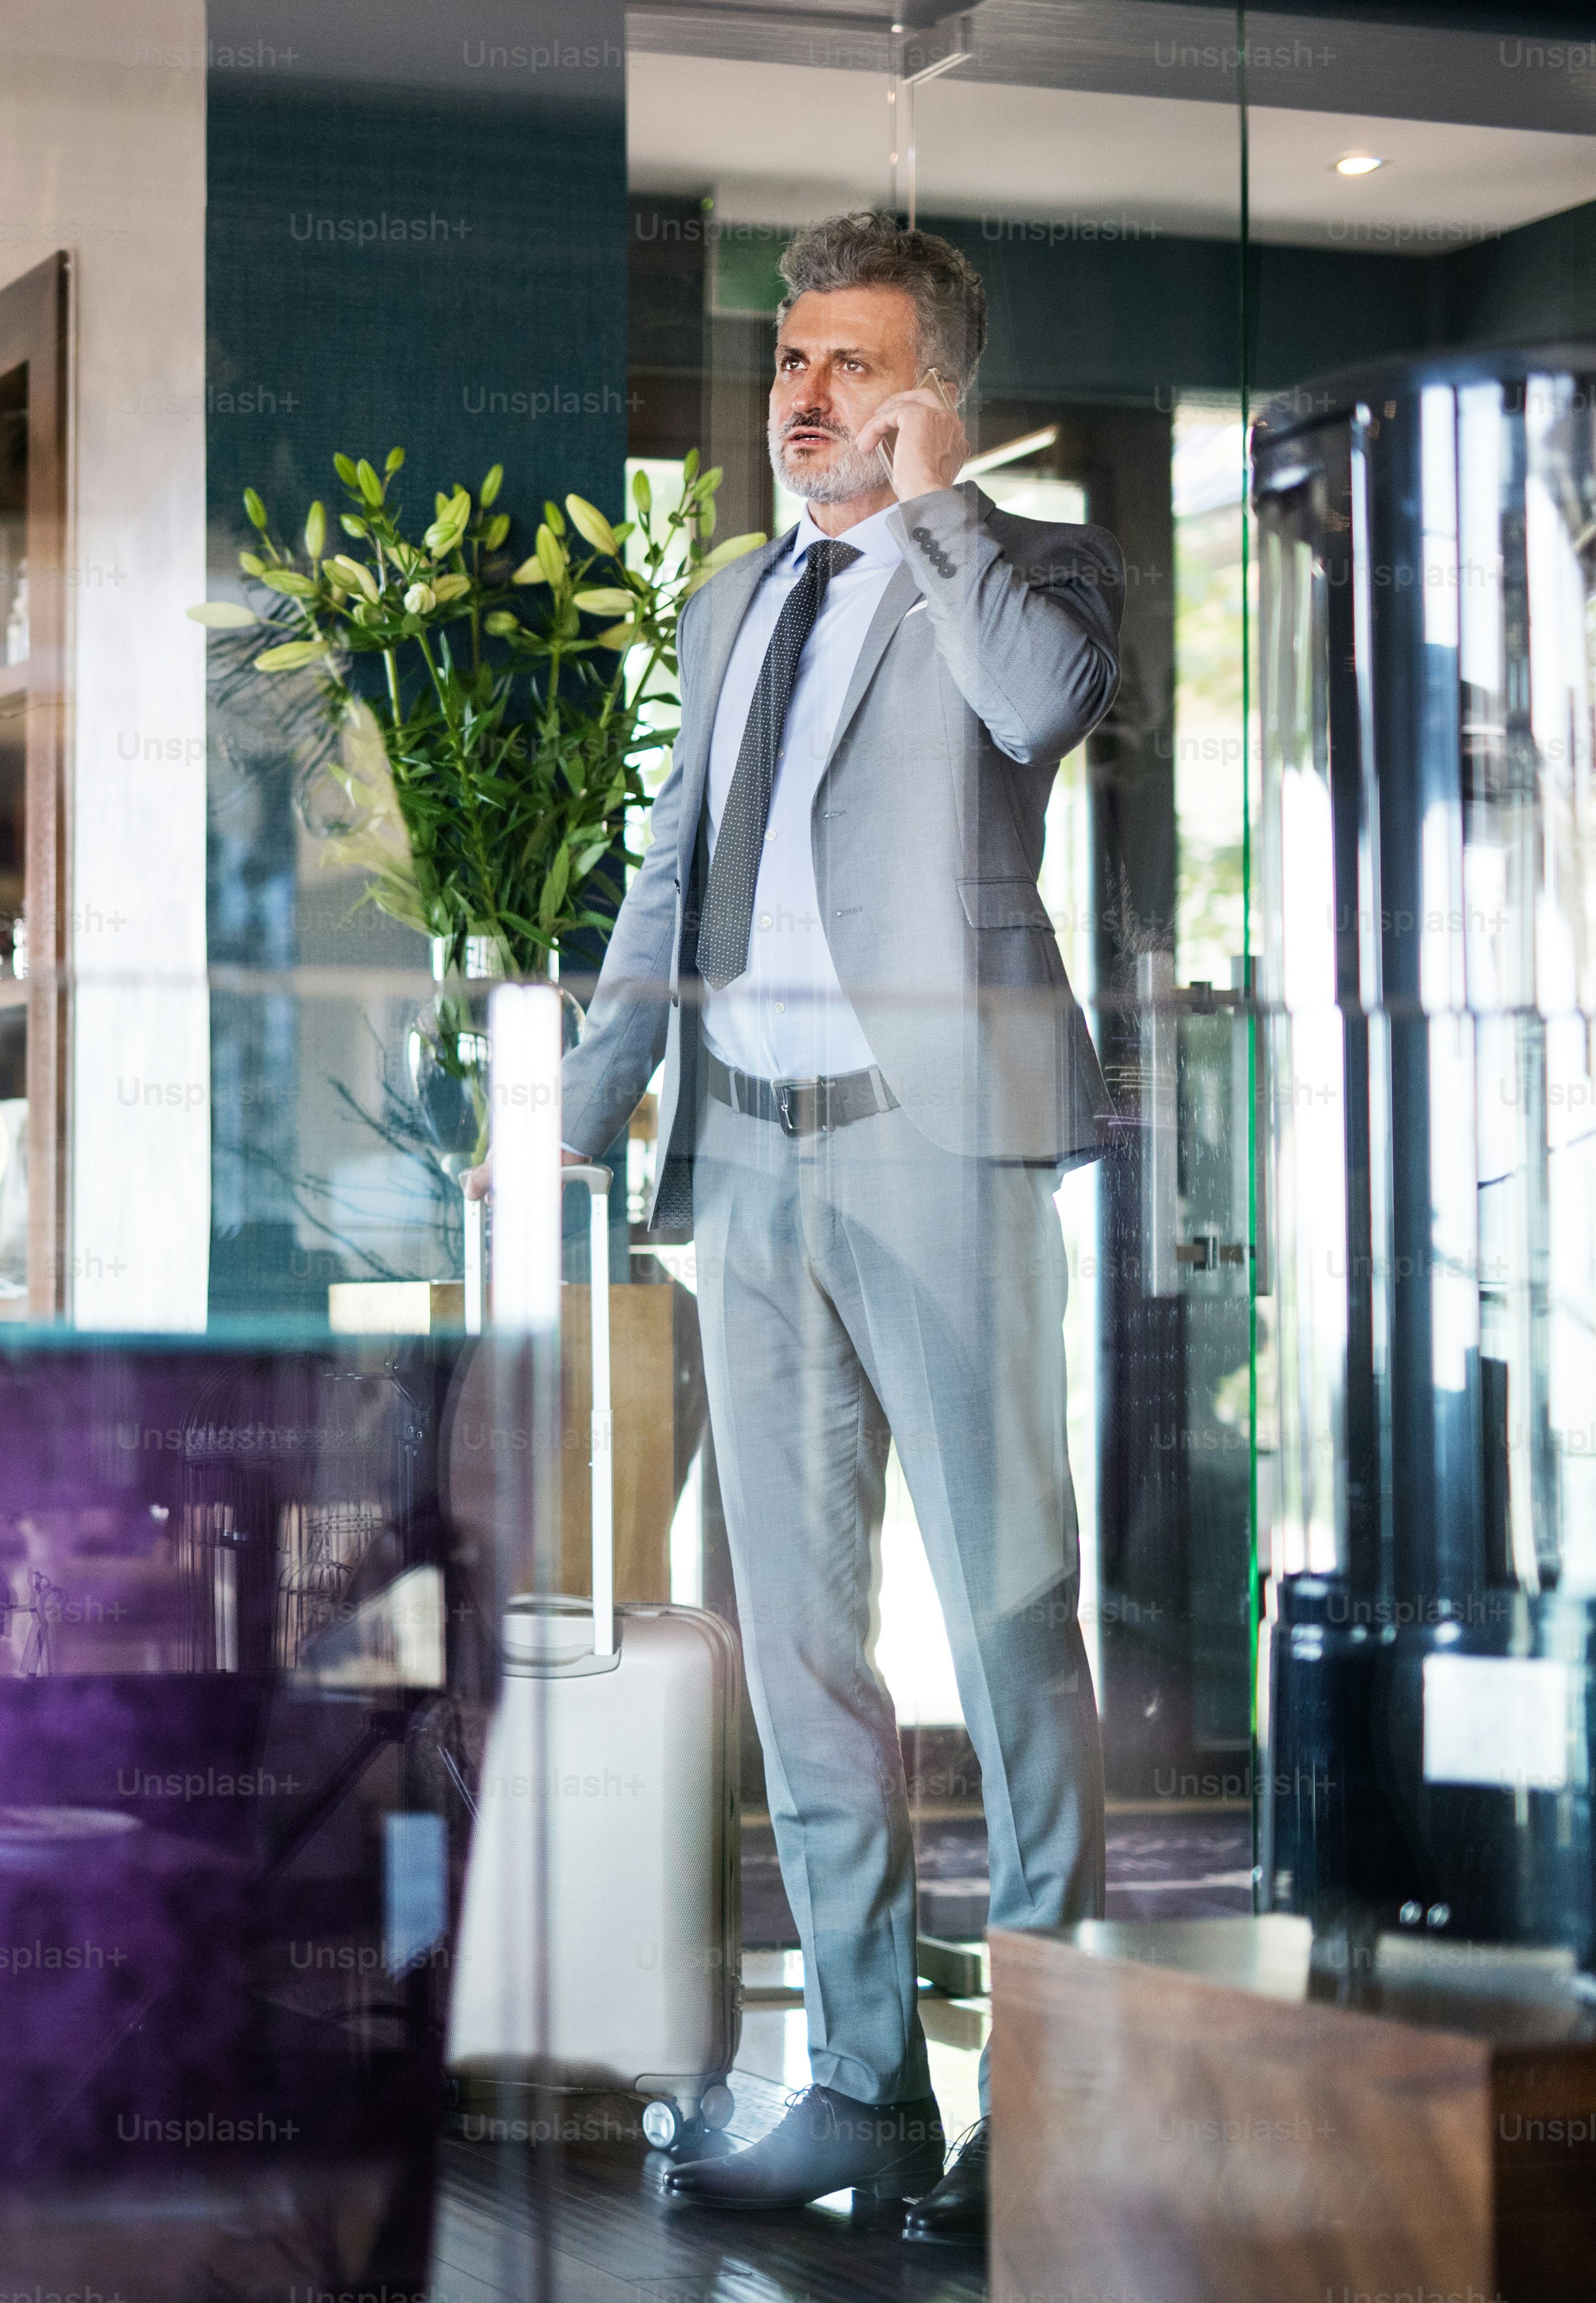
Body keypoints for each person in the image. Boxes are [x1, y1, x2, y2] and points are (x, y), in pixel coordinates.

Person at [473, 210, 1119, 2243]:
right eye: (788, 359)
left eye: (847, 361)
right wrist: (568, 1125)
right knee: (807, 1649)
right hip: (747, 1159)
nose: (801, 393)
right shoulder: (731, 597)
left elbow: (1036, 715)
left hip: (946, 1144)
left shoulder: (1032, 568)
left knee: (1012, 1622)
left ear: (935, 390)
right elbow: (669, 882)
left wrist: (935, 517)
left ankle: (1062, 2086)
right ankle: (861, 2084)